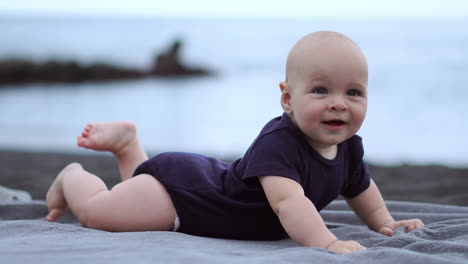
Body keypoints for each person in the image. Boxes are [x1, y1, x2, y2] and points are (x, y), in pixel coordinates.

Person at [46, 31, 424, 254]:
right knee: (99, 213)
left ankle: (129, 147)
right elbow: (288, 203)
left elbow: (362, 189)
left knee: (131, 198)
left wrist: (385, 222)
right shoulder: (278, 143)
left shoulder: (349, 148)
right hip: (185, 197)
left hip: (202, 191)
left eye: (354, 92)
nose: (339, 102)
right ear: (288, 99)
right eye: (321, 90)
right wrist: (328, 244)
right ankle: (72, 176)